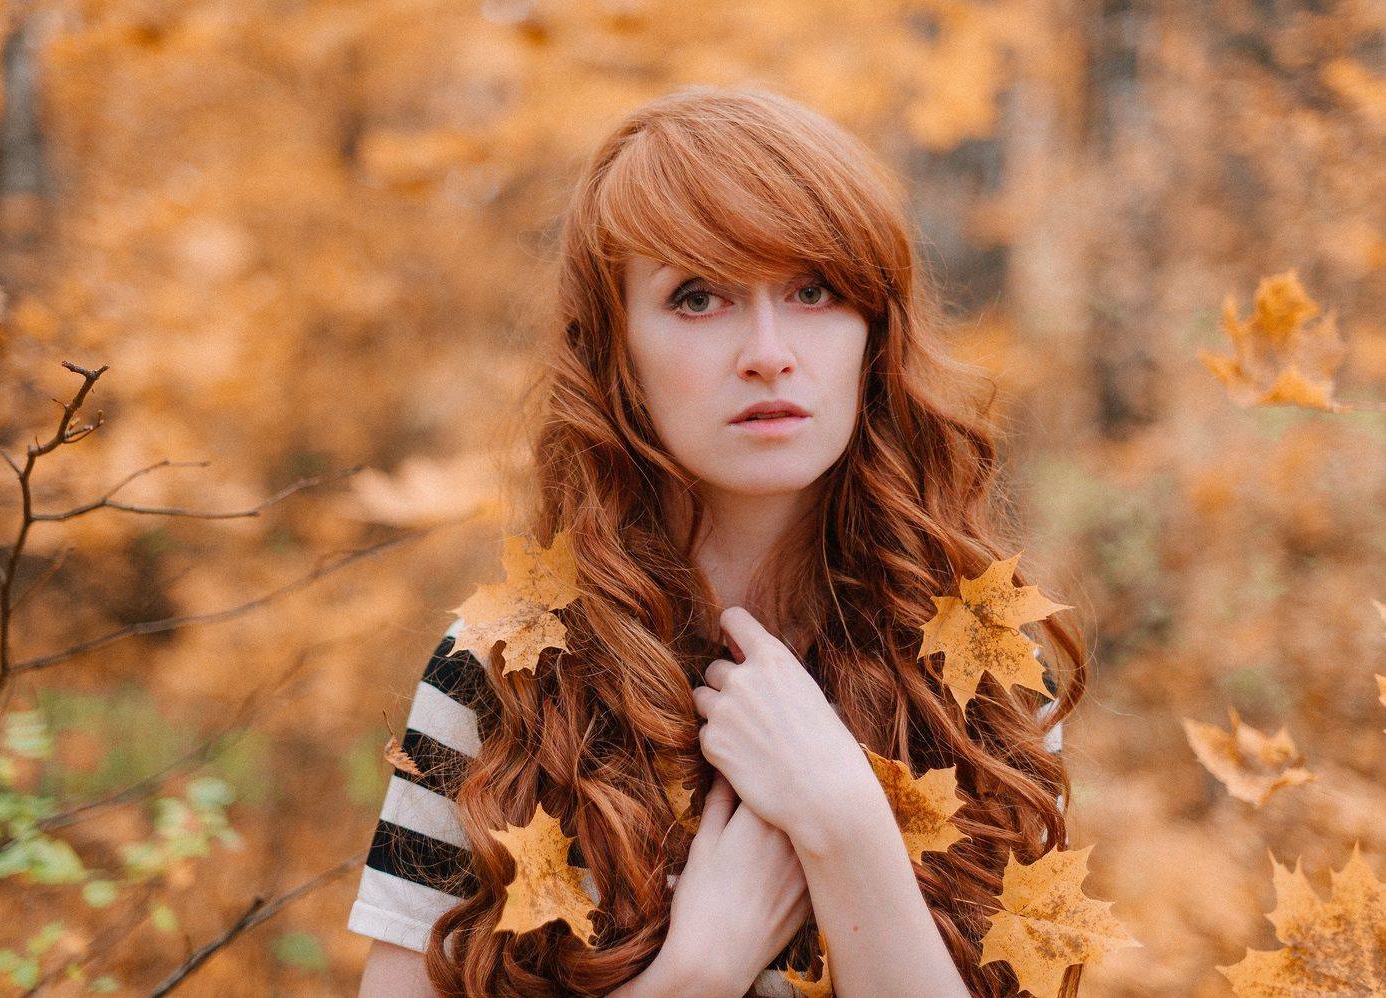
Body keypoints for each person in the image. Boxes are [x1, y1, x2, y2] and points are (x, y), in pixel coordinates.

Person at [350, 84, 1085, 997]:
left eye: (813, 291)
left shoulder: (983, 669)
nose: (769, 350)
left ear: (875, 333)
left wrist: (846, 829)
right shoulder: (502, 674)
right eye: (699, 298)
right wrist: (699, 969)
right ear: (617, 352)